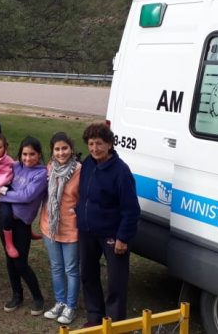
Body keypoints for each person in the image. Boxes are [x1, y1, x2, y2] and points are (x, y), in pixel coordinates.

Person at [78, 123, 140, 326]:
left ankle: (115, 324)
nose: (95, 148)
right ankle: (95, 319)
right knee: (88, 274)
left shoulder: (121, 172)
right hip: (87, 232)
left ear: (110, 144)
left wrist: (123, 238)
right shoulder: (88, 163)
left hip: (112, 235)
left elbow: (131, 209)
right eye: (91, 144)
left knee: (116, 282)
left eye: (99, 144)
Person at [0, 136, 48, 316]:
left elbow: (27, 196)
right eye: (24, 154)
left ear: (39, 154)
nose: (27, 158)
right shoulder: (15, 167)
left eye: (32, 154)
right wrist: (4, 191)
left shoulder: (41, 174)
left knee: (21, 263)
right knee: (10, 261)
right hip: (5, 223)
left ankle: (38, 298)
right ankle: (17, 295)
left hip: (21, 225)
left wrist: (3, 195)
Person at [40, 132, 81, 324]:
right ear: (52, 151)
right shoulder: (50, 168)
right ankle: (60, 302)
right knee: (56, 267)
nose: (61, 152)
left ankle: (71, 306)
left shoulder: (80, 170)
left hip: (71, 228)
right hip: (50, 226)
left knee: (71, 269)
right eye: (57, 149)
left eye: (64, 148)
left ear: (71, 149)